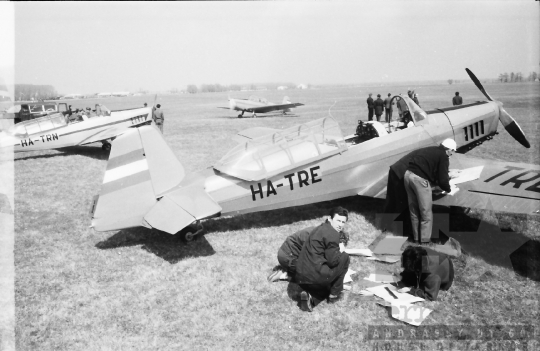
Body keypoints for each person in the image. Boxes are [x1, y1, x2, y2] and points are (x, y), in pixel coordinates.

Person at [295, 207, 350, 312]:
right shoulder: (333, 234)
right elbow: (333, 261)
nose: (340, 224)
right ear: (330, 218)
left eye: (343, 222)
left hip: (300, 275)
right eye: (338, 220)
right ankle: (335, 294)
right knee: (345, 258)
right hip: (314, 277)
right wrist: (341, 249)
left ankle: (311, 298)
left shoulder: (319, 228)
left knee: (325, 282)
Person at [403, 139, 456, 244]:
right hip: (419, 180)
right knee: (426, 213)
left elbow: (430, 167)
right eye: (453, 151)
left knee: (414, 210)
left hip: (407, 175)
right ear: (449, 150)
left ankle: (416, 239)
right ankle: (425, 242)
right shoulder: (444, 157)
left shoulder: (431, 149)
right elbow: (443, 180)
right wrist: (449, 189)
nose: (452, 154)